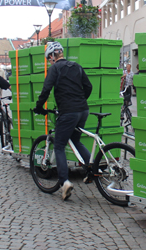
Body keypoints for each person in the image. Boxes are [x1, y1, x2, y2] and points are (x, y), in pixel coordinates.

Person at [33, 42, 92, 201]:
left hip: (68, 112)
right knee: (76, 141)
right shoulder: (77, 66)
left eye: (49, 59)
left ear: (52, 56)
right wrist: (79, 101)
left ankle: (65, 182)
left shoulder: (55, 69)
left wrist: (39, 107)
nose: (49, 62)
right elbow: (89, 87)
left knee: (59, 146)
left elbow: (46, 90)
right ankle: (91, 169)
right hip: (83, 110)